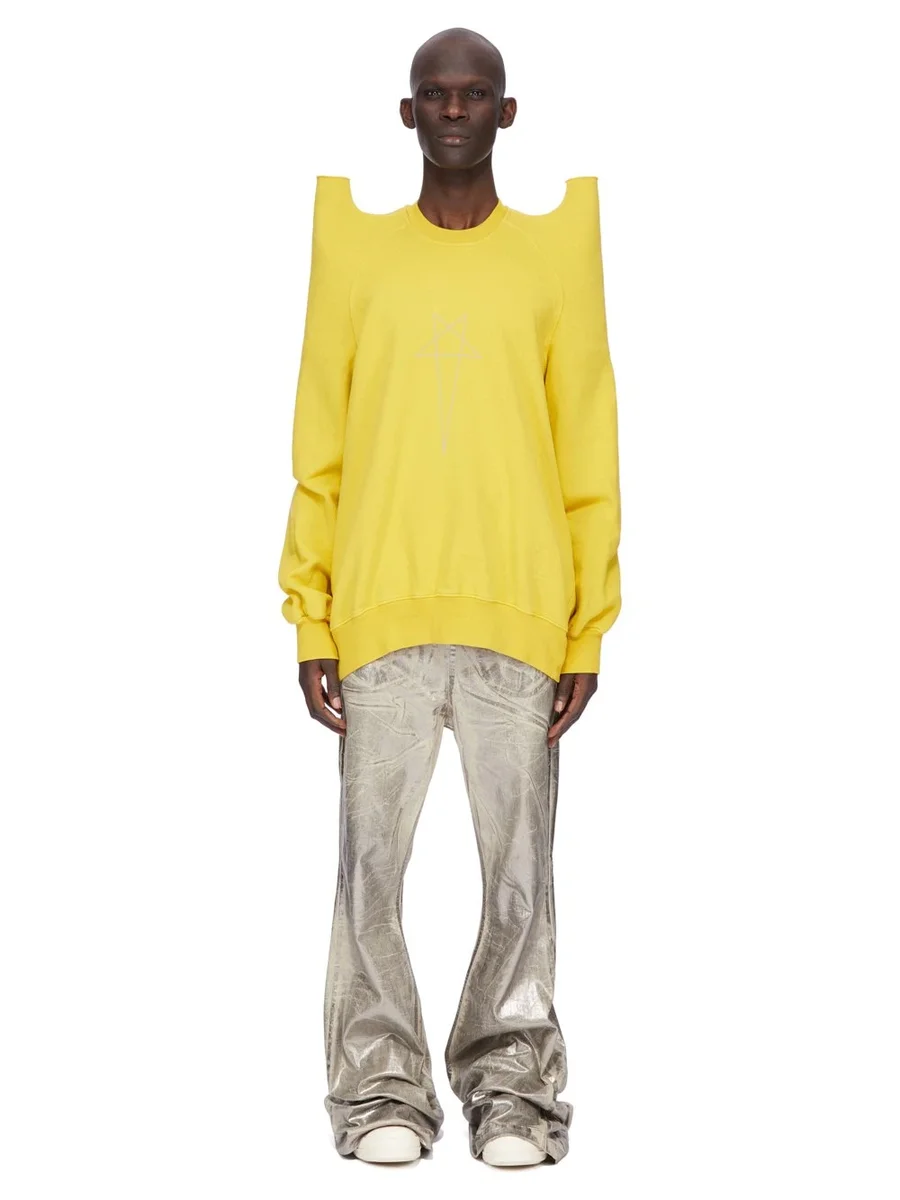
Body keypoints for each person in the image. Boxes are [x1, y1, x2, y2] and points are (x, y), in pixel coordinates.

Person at [277, 26, 621, 1168]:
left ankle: (513, 1091)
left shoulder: (553, 255)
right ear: (408, 112)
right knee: (369, 875)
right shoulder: (358, 254)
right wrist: (311, 610)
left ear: (507, 113)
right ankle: (381, 1090)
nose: (457, 111)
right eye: (437, 94)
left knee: (520, 878)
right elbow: (319, 445)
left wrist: (588, 625)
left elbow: (589, 446)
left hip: (520, 616)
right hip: (380, 611)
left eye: (477, 94)